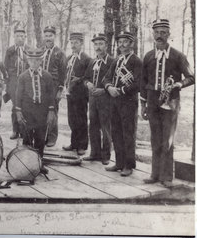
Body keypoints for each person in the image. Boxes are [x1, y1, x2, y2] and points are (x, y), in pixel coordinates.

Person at [140, 19, 194, 187]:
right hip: (152, 100)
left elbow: (192, 77)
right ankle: (154, 174)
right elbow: (143, 81)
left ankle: (167, 177)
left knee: (167, 140)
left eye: (163, 32)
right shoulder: (148, 56)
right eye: (156, 32)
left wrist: (179, 84)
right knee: (155, 138)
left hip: (171, 101)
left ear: (169, 35)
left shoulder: (178, 55)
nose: (159, 36)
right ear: (153, 35)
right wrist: (143, 104)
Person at [103, 31, 142, 177]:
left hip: (129, 102)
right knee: (116, 132)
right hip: (115, 101)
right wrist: (109, 87)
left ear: (132, 44)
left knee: (128, 133)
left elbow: (139, 83)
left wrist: (121, 90)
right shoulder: (117, 60)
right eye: (119, 42)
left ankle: (129, 165)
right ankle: (119, 162)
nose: (121, 45)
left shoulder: (136, 61)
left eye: (125, 42)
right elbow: (106, 78)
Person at [15, 48, 56, 170]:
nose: (34, 63)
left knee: (40, 138)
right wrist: (18, 112)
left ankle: (39, 163)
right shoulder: (23, 77)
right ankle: (27, 163)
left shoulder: (47, 76)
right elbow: (18, 95)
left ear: (41, 61)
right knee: (27, 138)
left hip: (42, 112)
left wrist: (50, 111)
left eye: (37, 60)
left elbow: (51, 95)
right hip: (27, 112)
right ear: (28, 61)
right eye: (31, 60)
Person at [83, 33, 114, 165]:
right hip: (93, 99)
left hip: (106, 99)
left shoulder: (112, 62)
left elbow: (114, 81)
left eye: (101, 44)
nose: (98, 47)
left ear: (106, 45)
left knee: (106, 126)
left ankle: (106, 155)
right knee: (93, 126)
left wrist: (104, 89)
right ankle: (94, 153)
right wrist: (88, 84)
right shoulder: (92, 62)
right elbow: (85, 78)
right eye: (96, 44)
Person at [62, 32, 91, 156]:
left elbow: (89, 76)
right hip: (70, 93)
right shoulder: (69, 58)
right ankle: (73, 143)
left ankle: (82, 145)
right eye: (72, 43)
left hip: (81, 94)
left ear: (81, 44)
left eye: (76, 43)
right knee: (72, 119)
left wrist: (78, 79)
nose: (73, 45)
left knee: (81, 119)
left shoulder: (86, 59)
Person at [41, 26, 67, 147]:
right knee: (40, 110)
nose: (48, 38)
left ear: (54, 37)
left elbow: (63, 73)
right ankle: (42, 136)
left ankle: (52, 137)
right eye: (46, 36)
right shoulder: (40, 51)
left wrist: (60, 90)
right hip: (41, 86)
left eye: (50, 36)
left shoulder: (60, 53)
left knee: (53, 111)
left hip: (54, 86)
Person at [4, 29, 29, 140]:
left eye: (22, 36)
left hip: (26, 82)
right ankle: (15, 131)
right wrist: (8, 85)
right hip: (13, 82)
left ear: (25, 37)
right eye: (18, 36)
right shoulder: (10, 51)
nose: (20, 38)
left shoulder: (29, 50)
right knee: (15, 106)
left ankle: (24, 131)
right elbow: (5, 67)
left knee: (25, 106)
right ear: (14, 37)